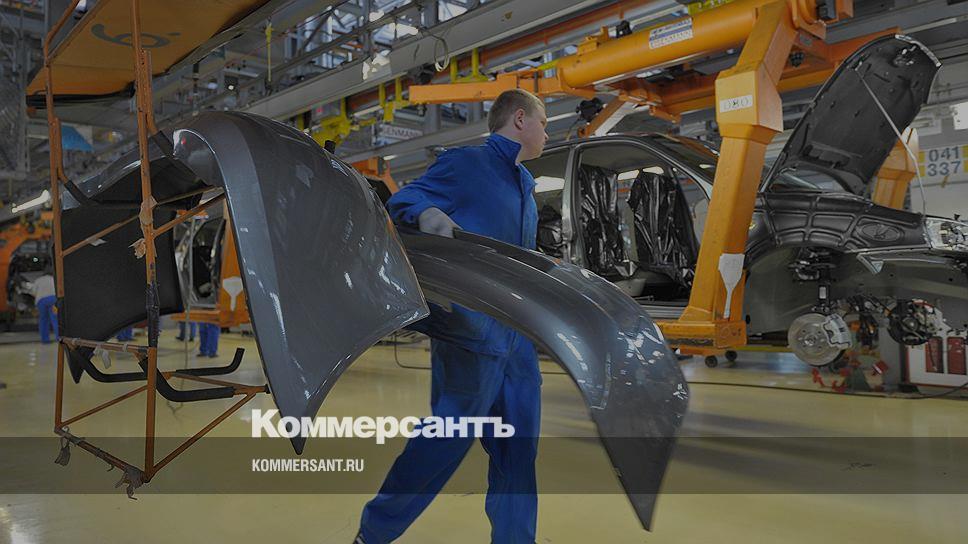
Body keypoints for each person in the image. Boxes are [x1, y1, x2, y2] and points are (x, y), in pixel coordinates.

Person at [356, 89, 548, 544]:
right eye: (544, 122)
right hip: (471, 335)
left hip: (517, 342)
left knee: (518, 453)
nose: (547, 132)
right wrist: (428, 213)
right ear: (520, 119)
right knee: (442, 443)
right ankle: (374, 534)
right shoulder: (467, 163)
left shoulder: (525, 183)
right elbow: (404, 200)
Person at [30, 273, 57, 344]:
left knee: (43, 320)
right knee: (55, 320)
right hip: (53, 300)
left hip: (41, 301)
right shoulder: (52, 279)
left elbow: (33, 292)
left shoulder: (38, 280)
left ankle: (45, 340)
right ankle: (59, 339)